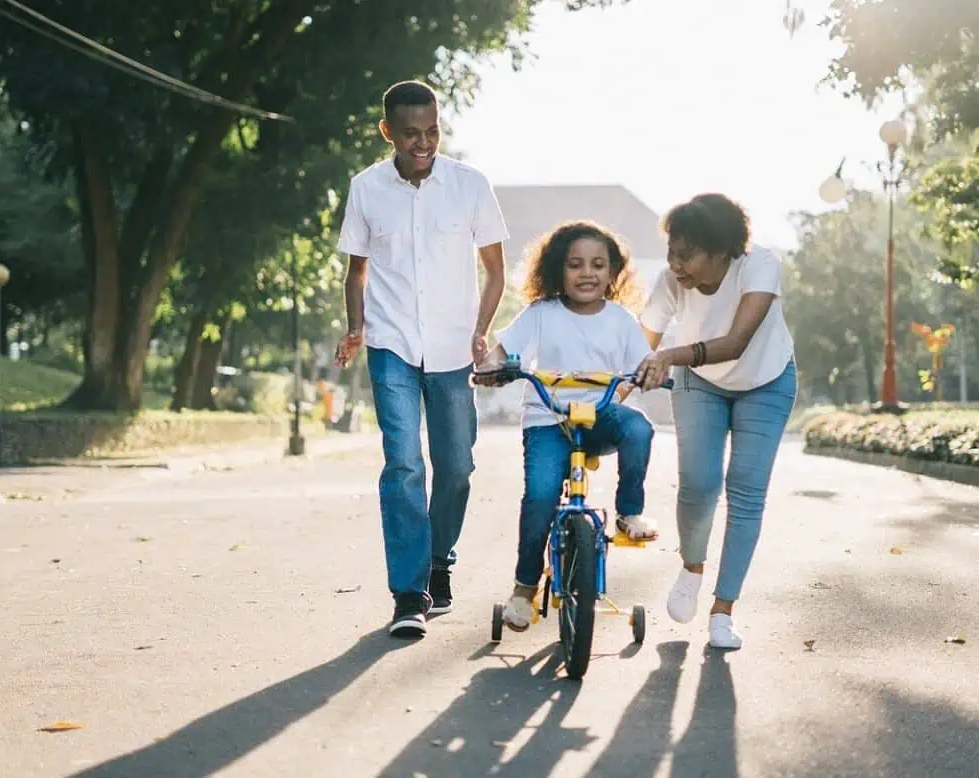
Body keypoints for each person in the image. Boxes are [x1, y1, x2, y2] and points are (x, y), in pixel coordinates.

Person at [333, 80, 509, 638]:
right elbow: (356, 270)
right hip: (391, 345)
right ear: (388, 132)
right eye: (411, 134)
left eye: (432, 131)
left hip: (455, 348)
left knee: (456, 467)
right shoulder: (366, 189)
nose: (423, 142)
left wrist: (481, 330)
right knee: (404, 463)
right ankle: (409, 592)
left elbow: (495, 269)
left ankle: (439, 561)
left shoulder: (470, 185)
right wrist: (357, 327)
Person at [476, 220, 658, 633]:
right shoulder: (542, 313)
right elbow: (505, 350)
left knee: (640, 429)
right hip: (548, 419)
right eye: (575, 265)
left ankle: (629, 513)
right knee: (540, 496)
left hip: (600, 416)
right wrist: (491, 367)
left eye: (598, 264)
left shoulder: (622, 320)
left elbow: (640, 366)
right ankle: (524, 588)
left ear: (613, 273)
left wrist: (648, 374)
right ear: (559, 269)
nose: (587, 273)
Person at [635, 193, 797, 650]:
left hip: (766, 380)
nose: (675, 263)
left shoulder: (758, 267)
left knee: (746, 489)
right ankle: (691, 568)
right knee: (699, 483)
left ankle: (723, 611)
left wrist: (668, 355)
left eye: (686, 254)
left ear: (722, 250)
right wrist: (617, 386)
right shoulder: (671, 281)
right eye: (671, 251)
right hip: (699, 383)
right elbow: (638, 345)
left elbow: (735, 343)